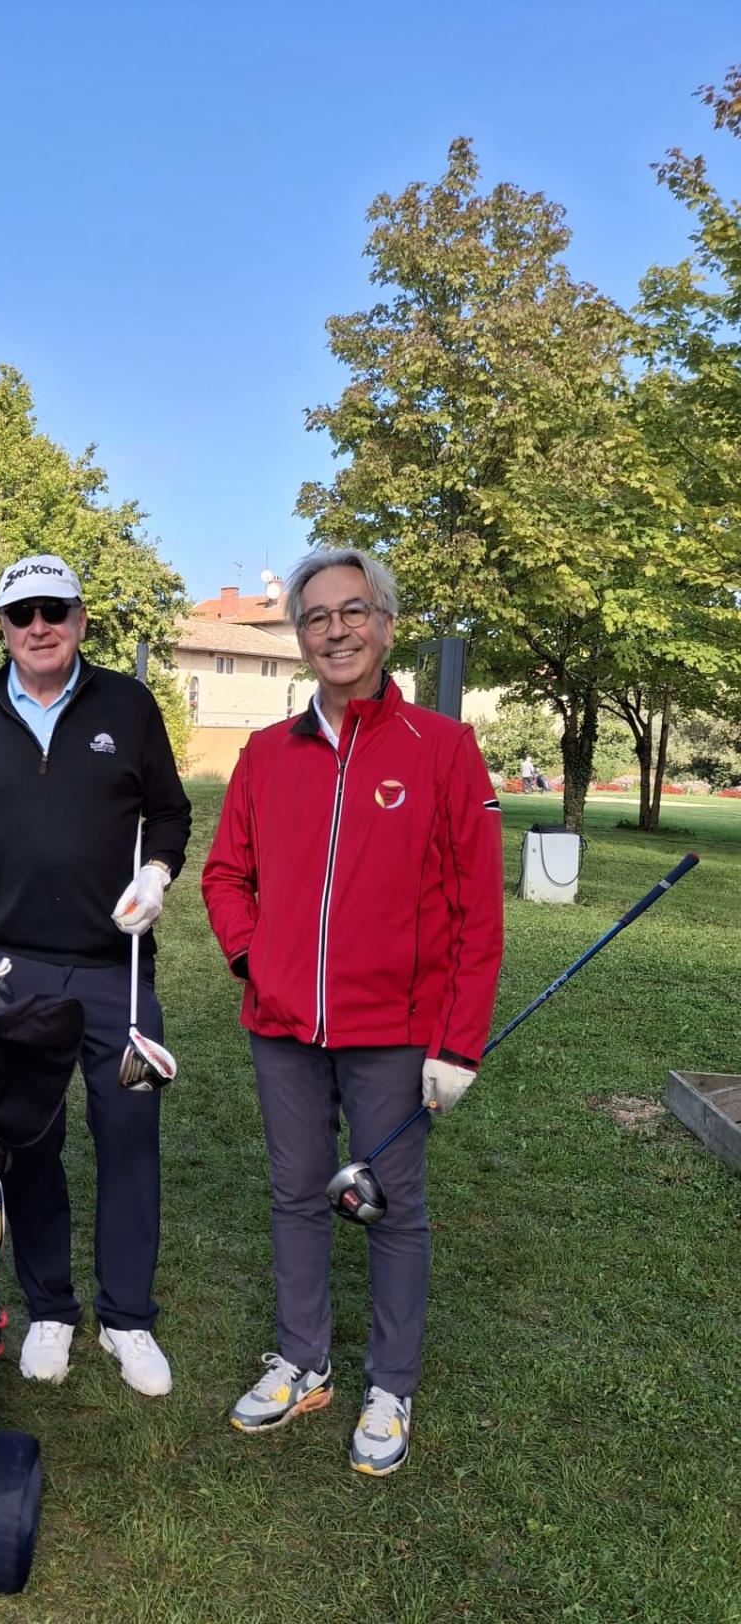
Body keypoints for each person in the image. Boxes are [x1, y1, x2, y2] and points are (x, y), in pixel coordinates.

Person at [201, 548, 503, 1474]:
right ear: (299, 637)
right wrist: (258, 959)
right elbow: (224, 875)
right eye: (316, 617)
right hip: (283, 1030)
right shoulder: (263, 755)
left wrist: (457, 1043)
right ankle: (302, 1360)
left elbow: (476, 909)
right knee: (296, 1194)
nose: (335, 630)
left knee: (392, 1209)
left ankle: (390, 1384)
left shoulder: (442, 750)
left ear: (385, 624)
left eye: (353, 612)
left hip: (396, 1035)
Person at [0, 554, 191, 1397]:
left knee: (130, 1139)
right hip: (8, 966)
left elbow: (170, 810)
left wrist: (159, 873)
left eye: (55, 611)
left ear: (79, 619)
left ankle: (128, 1318)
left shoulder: (128, 705)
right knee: (29, 1140)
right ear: (1, 625)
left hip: (119, 967)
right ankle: (52, 1311)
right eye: (23, 613)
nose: (40, 627)